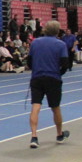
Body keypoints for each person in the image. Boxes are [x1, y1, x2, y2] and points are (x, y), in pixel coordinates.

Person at [27, 20, 71, 149]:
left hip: (37, 78)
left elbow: (29, 61)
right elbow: (65, 64)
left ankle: (34, 137)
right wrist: (58, 74)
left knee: (35, 106)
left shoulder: (35, 42)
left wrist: (36, 70)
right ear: (57, 31)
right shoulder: (61, 44)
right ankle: (59, 134)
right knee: (55, 107)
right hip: (53, 78)